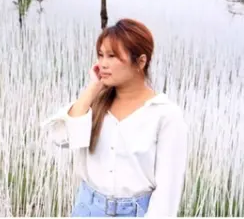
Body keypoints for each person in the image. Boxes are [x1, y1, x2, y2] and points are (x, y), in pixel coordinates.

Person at [42, 18, 188, 217]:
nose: (103, 63)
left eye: (112, 56)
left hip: (136, 212)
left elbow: (168, 191)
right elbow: (59, 138)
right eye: (100, 55)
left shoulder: (165, 114)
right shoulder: (95, 103)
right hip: (88, 209)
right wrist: (93, 88)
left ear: (141, 61)